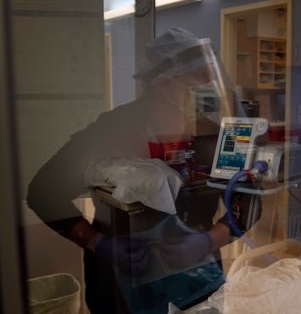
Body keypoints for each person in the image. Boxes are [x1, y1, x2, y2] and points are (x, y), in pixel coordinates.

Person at [26, 28, 242, 313]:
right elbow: (43, 191)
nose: (209, 84)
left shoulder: (214, 136)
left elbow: (247, 198)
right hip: (120, 279)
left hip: (195, 279)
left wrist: (209, 239)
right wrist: (98, 243)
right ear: (163, 82)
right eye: (200, 76)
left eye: (210, 76)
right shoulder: (110, 130)